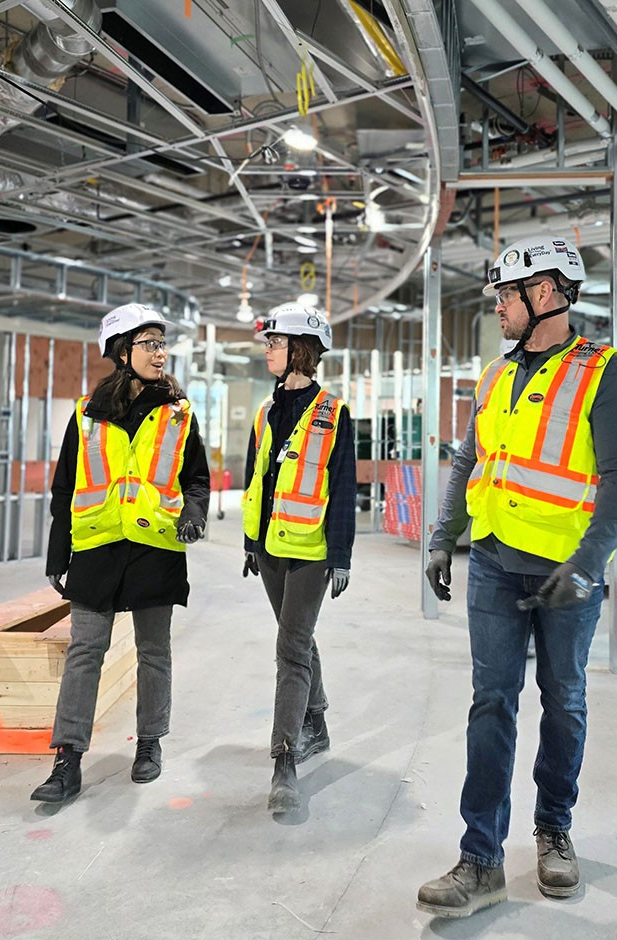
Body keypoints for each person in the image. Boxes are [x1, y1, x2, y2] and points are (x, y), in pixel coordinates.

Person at [417, 235, 617, 916]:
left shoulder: (606, 372)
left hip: (565, 575)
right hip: (492, 565)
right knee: (491, 704)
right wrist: (442, 537)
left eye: (505, 296)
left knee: (564, 702)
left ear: (543, 294)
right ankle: (480, 858)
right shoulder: (495, 375)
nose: (497, 308)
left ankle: (554, 830)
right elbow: (468, 461)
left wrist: (587, 564)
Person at [31, 303, 210, 803]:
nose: (160, 352)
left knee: (154, 653)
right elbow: (64, 487)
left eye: (161, 343)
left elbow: (196, 478)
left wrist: (194, 513)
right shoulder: (85, 413)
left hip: (155, 547)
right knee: (84, 653)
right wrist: (56, 554)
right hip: (97, 550)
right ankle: (67, 761)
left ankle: (149, 744)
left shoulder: (178, 411)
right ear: (121, 351)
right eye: (149, 343)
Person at [242, 302, 356, 815]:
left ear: (299, 350)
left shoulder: (334, 413)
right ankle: (318, 722)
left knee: (289, 649)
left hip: (310, 550)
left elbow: (344, 488)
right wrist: (248, 541)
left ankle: (284, 759)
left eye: (274, 342)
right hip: (268, 549)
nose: (267, 350)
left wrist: (342, 555)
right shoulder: (266, 412)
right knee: (299, 638)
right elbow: (256, 477)